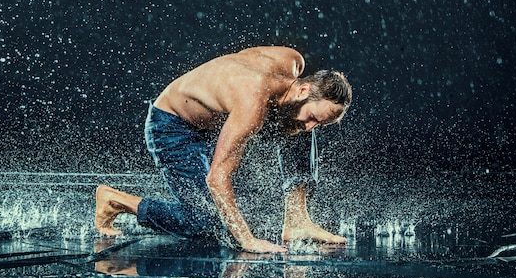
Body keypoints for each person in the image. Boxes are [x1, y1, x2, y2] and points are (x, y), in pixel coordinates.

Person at [94, 46, 352, 253]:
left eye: (321, 121)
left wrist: (306, 119)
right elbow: (217, 178)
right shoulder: (253, 104)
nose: (311, 127)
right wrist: (248, 241)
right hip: (172, 127)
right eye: (314, 117)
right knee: (208, 222)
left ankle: (297, 219)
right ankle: (117, 201)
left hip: (213, 121)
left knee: (298, 126)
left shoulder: (291, 61)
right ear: (304, 88)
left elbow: (255, 80)